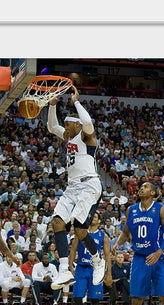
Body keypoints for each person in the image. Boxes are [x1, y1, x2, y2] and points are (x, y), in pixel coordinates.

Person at [46, 86, 105, 290]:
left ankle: (98, 261)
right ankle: (64, 270)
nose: (64, 126)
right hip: (72, 187)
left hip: (89, 183)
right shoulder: (71, 138)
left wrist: (76, 102)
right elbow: (52, 126)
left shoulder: (86, 137)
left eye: (67, 124)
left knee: (80, 229)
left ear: (76, 125)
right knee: (57, 222)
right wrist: (52, 106)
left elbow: (88, 122)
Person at [68, 212, 112, 305]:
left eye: (96, 217)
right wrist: (70, 265)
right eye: (92, 216)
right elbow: (73, 249)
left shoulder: (103, 236)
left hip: (95, 269)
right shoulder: (81, 233)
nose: (93, 218)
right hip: (81, 268)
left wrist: (109, 273)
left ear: (99, 221)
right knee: (77, 297)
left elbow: (108, 255)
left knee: (95, 300)